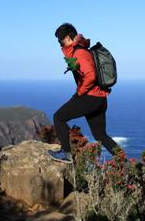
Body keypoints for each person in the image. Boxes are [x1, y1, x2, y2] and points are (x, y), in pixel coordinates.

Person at [48, 23, 120, 164]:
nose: (59, 44)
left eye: (60, 40)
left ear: (68, 38)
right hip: (99, 99)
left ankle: (66, 154)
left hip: (90, 98)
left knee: (58, 118)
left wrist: (79, 93)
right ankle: (125, 163)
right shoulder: (81, 50)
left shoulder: (79, 53)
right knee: (100, 135)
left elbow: (91, 76)